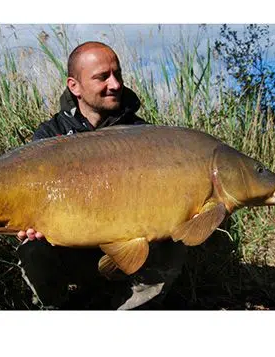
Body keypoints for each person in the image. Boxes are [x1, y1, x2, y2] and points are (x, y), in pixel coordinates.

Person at [16, 41, 186, 310]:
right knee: (32, 247)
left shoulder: (143, 135)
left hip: (128, 250)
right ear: (74, 86)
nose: (116, 84)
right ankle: (56, 309)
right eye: (102, 77)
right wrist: (28, 223)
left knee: (173, 240)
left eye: (117, 74)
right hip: (72, 248)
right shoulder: (50, 135)